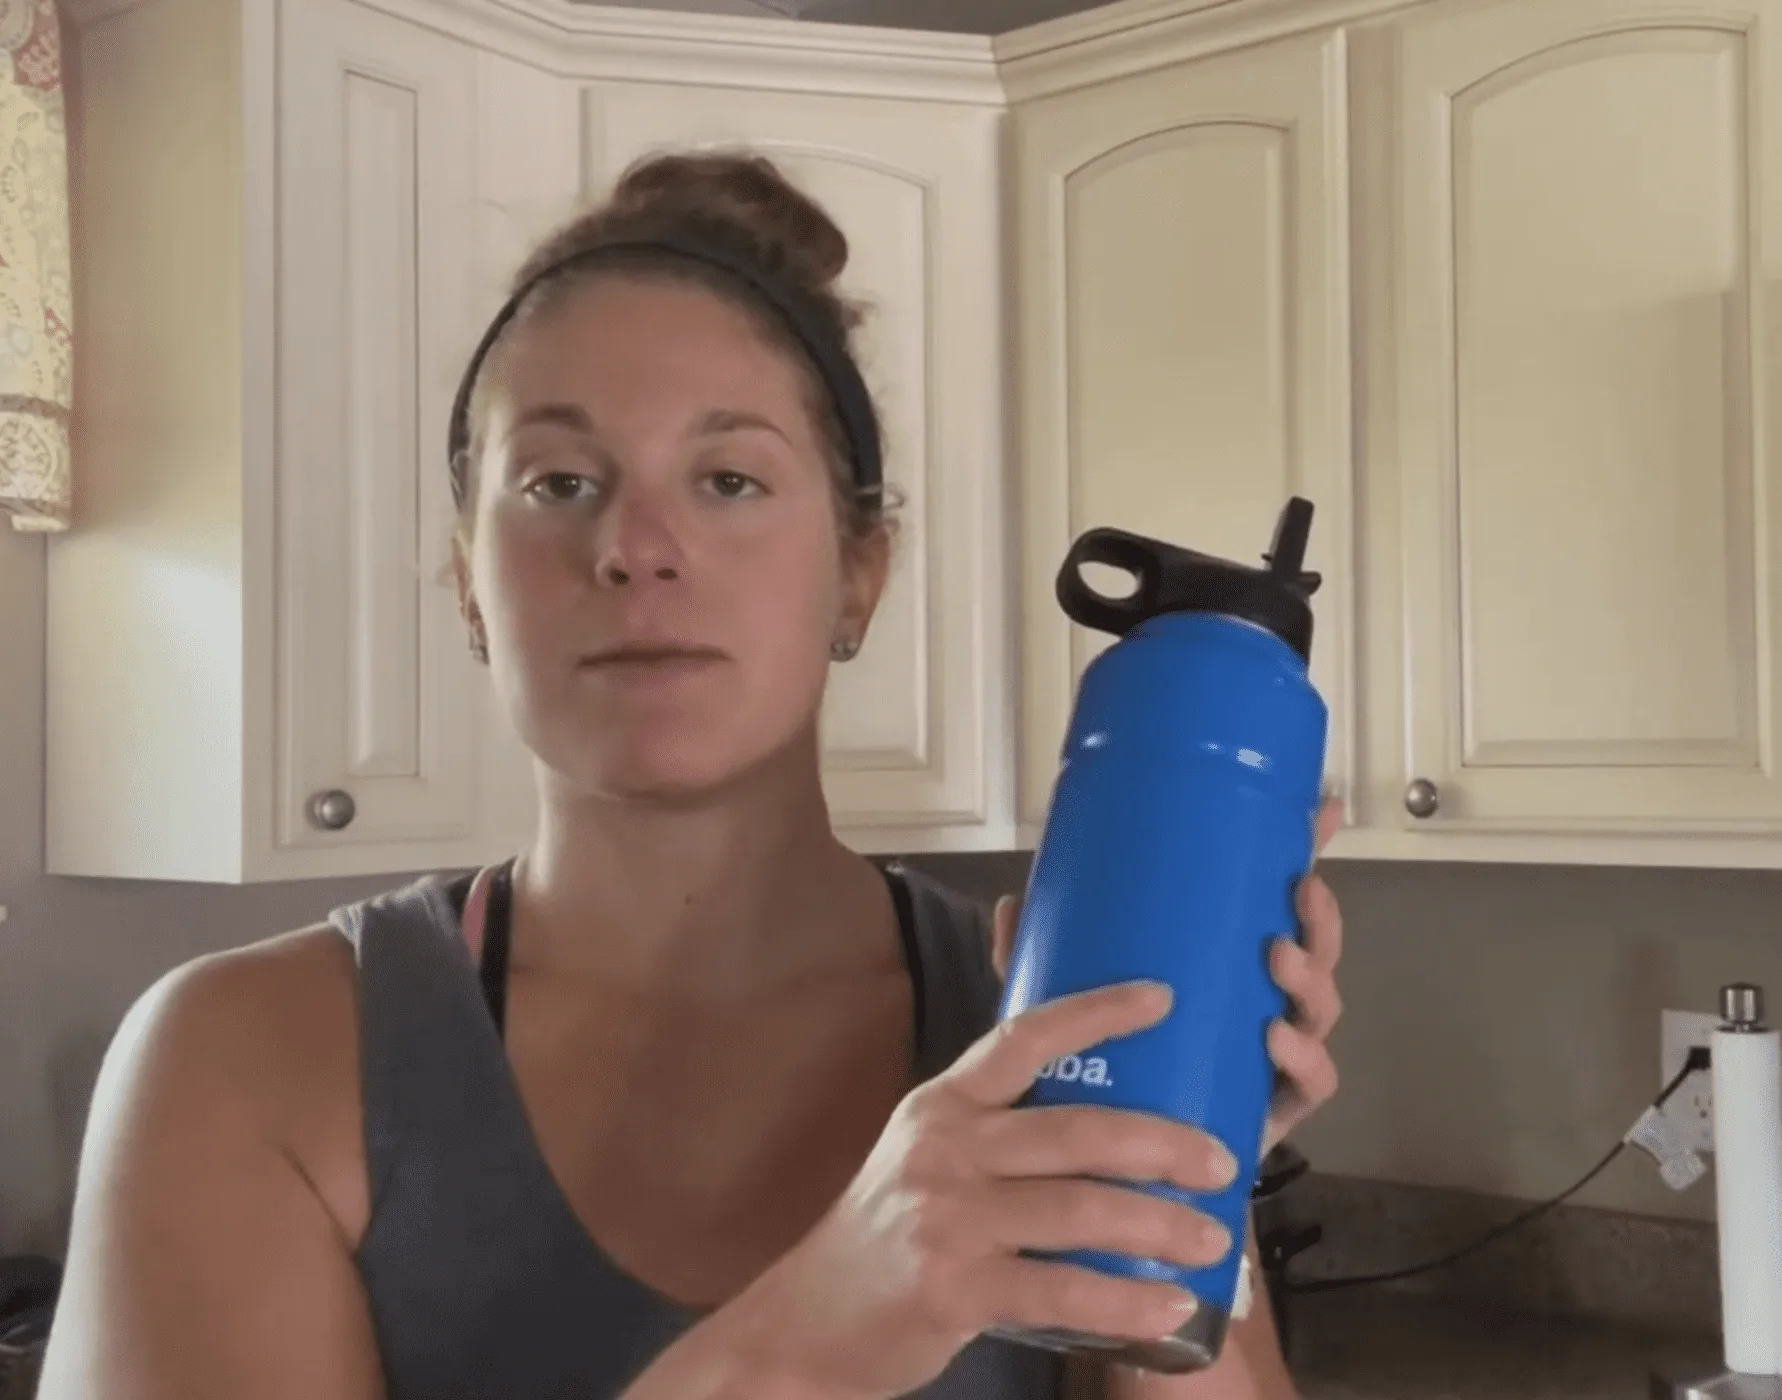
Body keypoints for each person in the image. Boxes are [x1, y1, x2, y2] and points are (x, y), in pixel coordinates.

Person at [36, 150, 1346, 1400]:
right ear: (467, 587)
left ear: (858, 572)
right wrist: (799, 1349)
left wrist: (1184, 1174)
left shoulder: (1041, 1037)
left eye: (727, 478)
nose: (635, 546)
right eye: (557, 482)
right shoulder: (243, 1062)